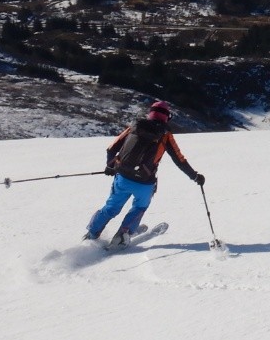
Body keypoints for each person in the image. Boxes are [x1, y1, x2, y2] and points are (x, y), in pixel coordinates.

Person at [84, 99, 205, 244]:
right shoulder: (165, 135)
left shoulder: (134, 127)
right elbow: (179, 160)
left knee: (111, 207)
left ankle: (91, 233)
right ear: (167, 116)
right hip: (145, 182)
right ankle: (124, 233)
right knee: (140, 206)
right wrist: (195, 176)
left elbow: (112, 148)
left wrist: (110, 166)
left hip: (122, 177)